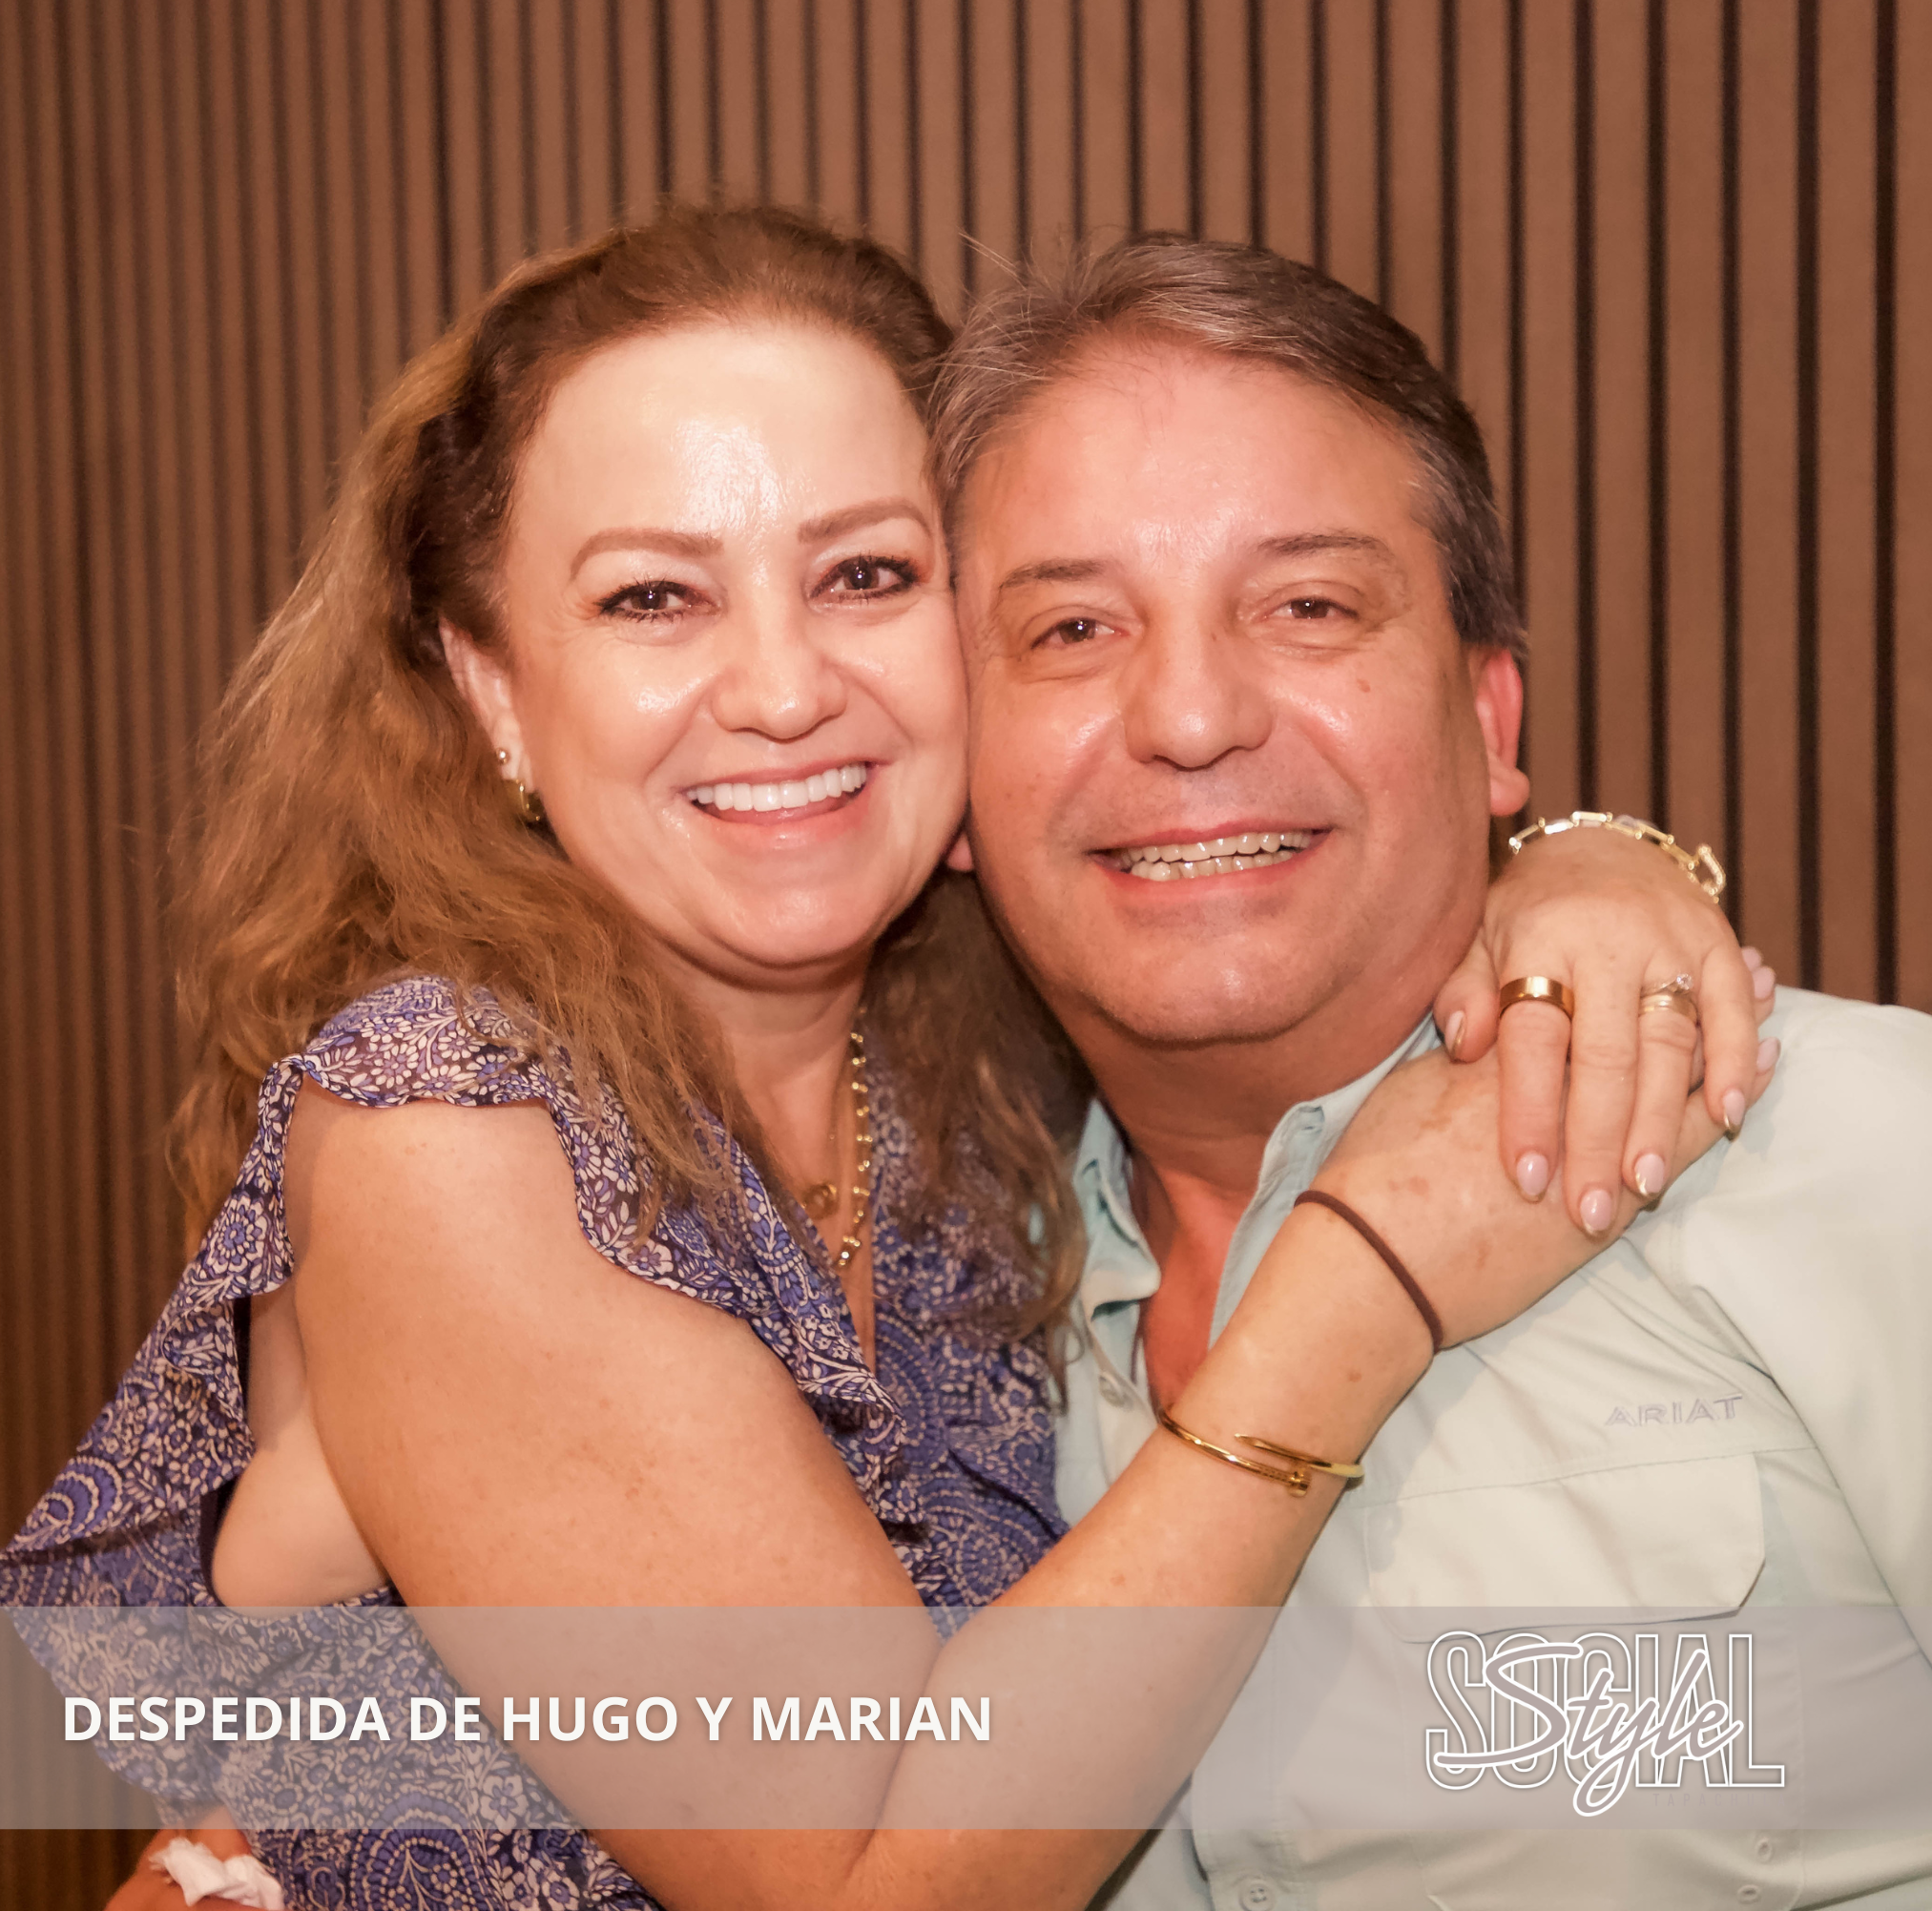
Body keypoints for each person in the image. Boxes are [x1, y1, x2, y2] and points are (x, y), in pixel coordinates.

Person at [7, 207, 1763, 1911]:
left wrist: (1586, 869)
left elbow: (1299, 884)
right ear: (493, 691)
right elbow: (862, 1880)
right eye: (652, 598)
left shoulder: (980, 1090)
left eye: (865, 575)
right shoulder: (449, 1116)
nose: (784, 688)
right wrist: (1364, 1283)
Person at [936, 233, 1932, 1908]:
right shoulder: (931, 1337)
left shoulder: (1855, 1156)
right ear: (950, 771)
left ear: (1489, 717)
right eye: (1072, 627)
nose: (1190, 714)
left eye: (1309, 607)